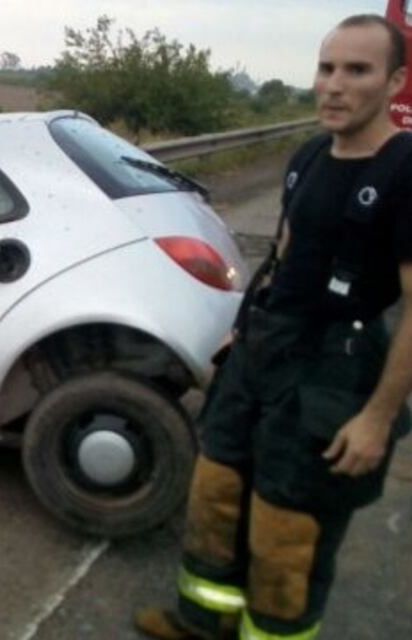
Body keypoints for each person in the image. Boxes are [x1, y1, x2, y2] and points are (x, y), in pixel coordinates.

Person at [134, 14, 412, 640]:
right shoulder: (310, 153)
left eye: (358, 70)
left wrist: (376, 416)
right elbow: (288, 253)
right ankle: (202, 621)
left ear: (395, 81)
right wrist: (249, 330)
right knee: (215, 493)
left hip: (336, 371)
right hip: (267, 348)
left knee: (286, 530)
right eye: (327, 68)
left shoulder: (403, 170)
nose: (334, 85)